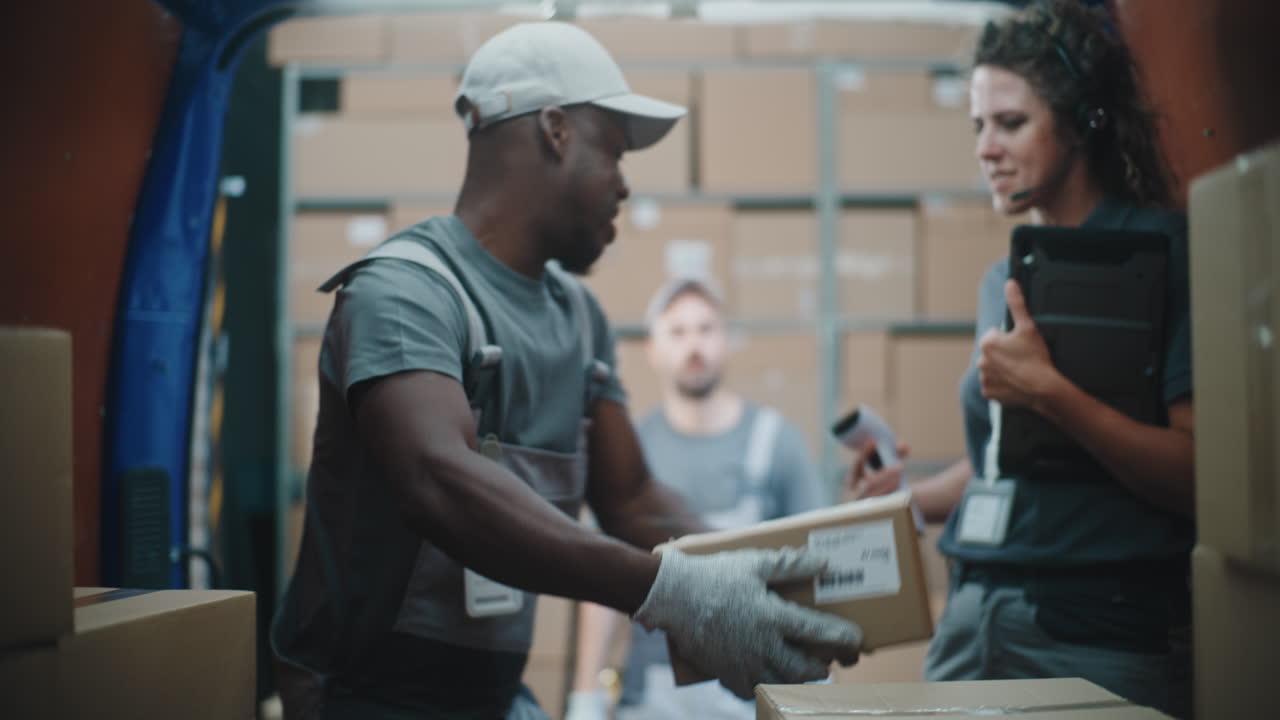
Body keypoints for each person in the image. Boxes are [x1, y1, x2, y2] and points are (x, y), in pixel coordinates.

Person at [270, 21, 862, 720]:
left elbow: (632, 500)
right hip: (364, 702)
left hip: (493, 700)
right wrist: (668, 592)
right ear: (555, 131)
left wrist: (763, 576)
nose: (624, 185)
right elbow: (438, 480)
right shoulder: (404, 292)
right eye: (613, 152)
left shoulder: (578, 317)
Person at [846, 2, 1192, 717]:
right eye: (977, 126)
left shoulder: (1161, 252)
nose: (986, 149)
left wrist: (1050, 393)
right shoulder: (1002, 275)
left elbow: (1198, 476)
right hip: (973, 618)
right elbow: (1005, 459)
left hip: (1092, 633)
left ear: (1082, 124)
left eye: (1010, 123)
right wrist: (905, 500)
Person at [565, 277, 829, 720]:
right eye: (678, 331)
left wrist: (815, 688)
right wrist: (585, 698)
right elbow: (600, 583)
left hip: (755, 692)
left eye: (706, 329)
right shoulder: (628, 450)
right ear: (652, 349)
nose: (694, 345)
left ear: (725, 340)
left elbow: (816, 565)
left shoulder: (775, 442)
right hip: (652, 697)